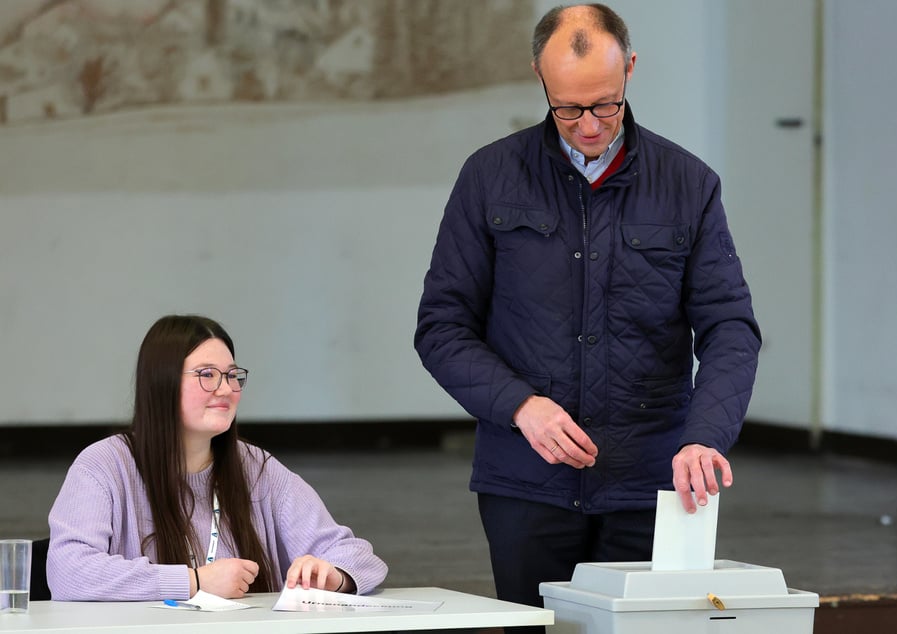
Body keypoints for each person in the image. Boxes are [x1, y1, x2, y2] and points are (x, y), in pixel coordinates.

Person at [414, 2, 761, 617]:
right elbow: (441, 327)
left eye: (605, 103)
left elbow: (731, 329)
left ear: (629, 69)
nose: (590, 125)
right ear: (540, 80)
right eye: (568, 107)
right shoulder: (489, 176)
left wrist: (705, 438)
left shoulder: (689, 184)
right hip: (525, 483)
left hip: (652, 484)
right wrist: (521, 407)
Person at [47, 314, 387, 601]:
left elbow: (359, 557)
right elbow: (68, 571)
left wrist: (334, 575)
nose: (226, 389)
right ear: (161, 384)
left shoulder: (257, 469)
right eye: (207, 375)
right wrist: (195, 582)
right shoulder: (105, 465)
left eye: (232, 375)